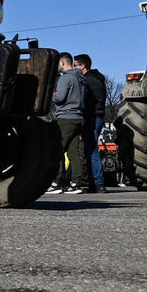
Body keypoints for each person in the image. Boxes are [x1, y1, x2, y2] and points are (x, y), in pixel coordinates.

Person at [46, 52, 86, 194]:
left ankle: (56, 182)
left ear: (63, 63)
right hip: (78, 117)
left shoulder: (65, 78)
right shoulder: (80, 79)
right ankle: (76, 183)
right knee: (73, 151)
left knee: (58, 149)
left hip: (65, 117)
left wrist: (51, 95)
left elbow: (60, 98)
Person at [75, 54, 108, 194]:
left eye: (76, 65)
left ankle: (98, 183)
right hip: (98, 116)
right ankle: (94, 183)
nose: (74, 68)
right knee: (90, 150)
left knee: (92, 150)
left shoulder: (87, 81)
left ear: (83, 66)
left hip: (91, 117)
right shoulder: (98, 79)